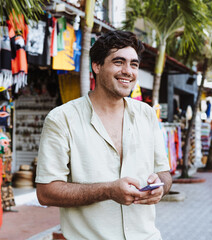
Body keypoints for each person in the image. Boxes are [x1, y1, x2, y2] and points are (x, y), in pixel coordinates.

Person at [35, 30, 172, 239]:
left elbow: (164, 174)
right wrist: (108, 191)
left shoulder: (147, 115)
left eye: (133, 64)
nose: (128, 71)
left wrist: (160, 187)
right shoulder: (61, 119)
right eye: (119, 62)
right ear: (96, 66)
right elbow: (46, 192)